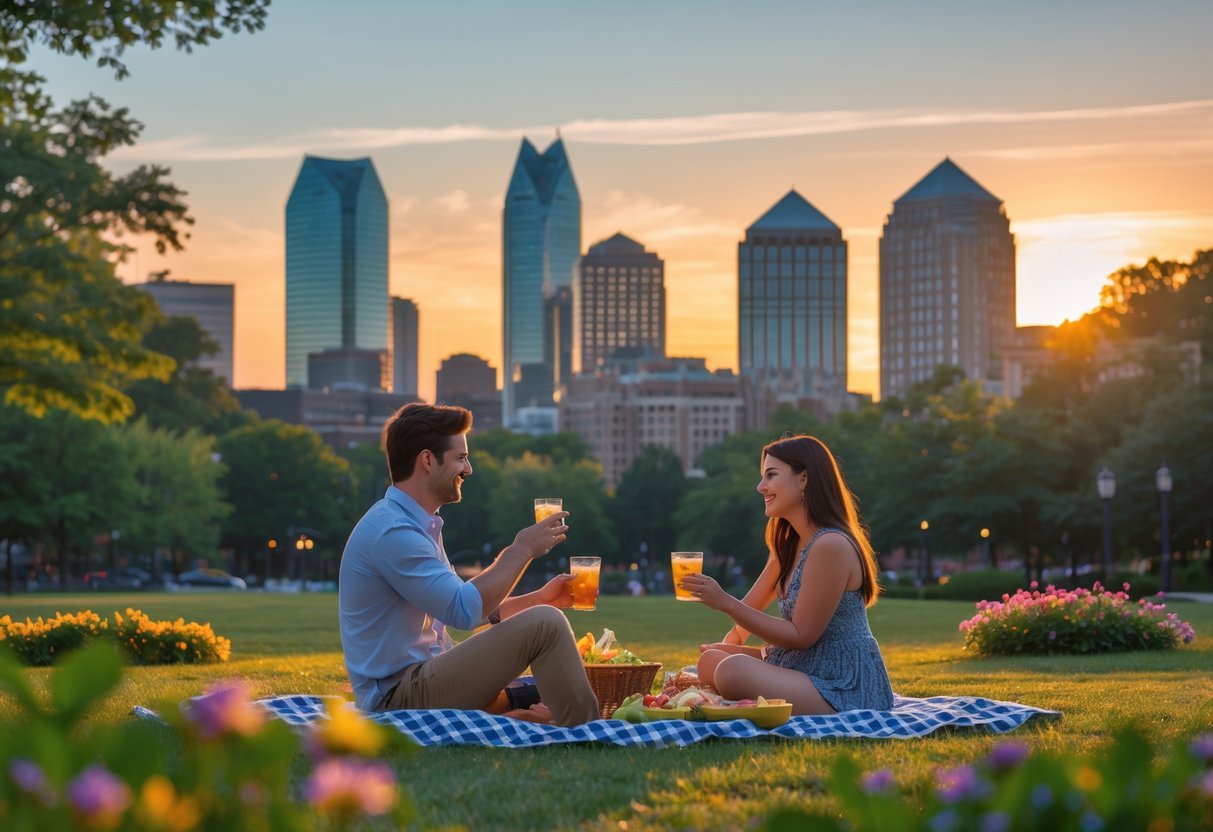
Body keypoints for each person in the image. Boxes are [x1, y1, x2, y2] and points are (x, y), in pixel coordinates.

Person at [338, 402, 600, 727]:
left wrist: (540, 598)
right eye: (461, 458)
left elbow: (470, 608)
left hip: (422, 680)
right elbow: (464, 611)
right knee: (546, 624)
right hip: (397, 698)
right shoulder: (393, 532)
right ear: (428, 460)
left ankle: (539, 716)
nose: (469, 469)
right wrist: (522, 549)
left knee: (542, 637)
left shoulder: (416, 523)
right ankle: (587, 732)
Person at [681, 434, 894, 715]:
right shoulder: (791, 544)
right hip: (804, 662)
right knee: (710, 660)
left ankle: (731, 698)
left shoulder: (831, 545)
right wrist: (731, 640)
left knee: (731, 671)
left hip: (843, 682)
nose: (760, 487)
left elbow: (801, 635)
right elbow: (752, 606)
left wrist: (725, 602)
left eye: (771, 475)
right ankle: (733, 696)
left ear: (803, 478)